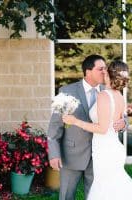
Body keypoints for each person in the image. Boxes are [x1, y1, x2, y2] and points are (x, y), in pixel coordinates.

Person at [62, 60, 132, 200]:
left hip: (104, 150)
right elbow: (115, 121)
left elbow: (102, 128)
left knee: (104, 189)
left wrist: (75, 121)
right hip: (112, 148)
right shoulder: (119, 96)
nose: (102, 72)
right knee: (114, 188)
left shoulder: (104, 95)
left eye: (104, 70)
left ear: (109, 74)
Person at [47, 55, 127, 200]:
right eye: (100, 69)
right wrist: (54, 154)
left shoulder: (109, 91)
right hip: (71, 155)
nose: (105, 72)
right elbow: (54, 126)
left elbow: (122, 116)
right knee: (66, 195)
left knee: (95, 195)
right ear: (88, 71)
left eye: (105, 68)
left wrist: (124, 123)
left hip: (99, 155)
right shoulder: (66, 91)